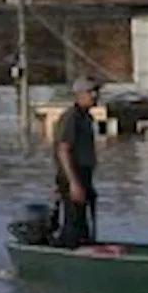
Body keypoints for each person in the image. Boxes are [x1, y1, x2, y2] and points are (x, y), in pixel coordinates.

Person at [53, 76, 102, 248]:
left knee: (84, 224)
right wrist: (73, 183)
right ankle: (70, 252)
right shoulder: (71, 117)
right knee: (74, 223)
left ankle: (85, 248)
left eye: (96, 91)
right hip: (74, 174)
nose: (95, 95)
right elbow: (63, 150)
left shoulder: (86, 118)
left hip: (84, 175)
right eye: (90, 92)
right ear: (79, 94)